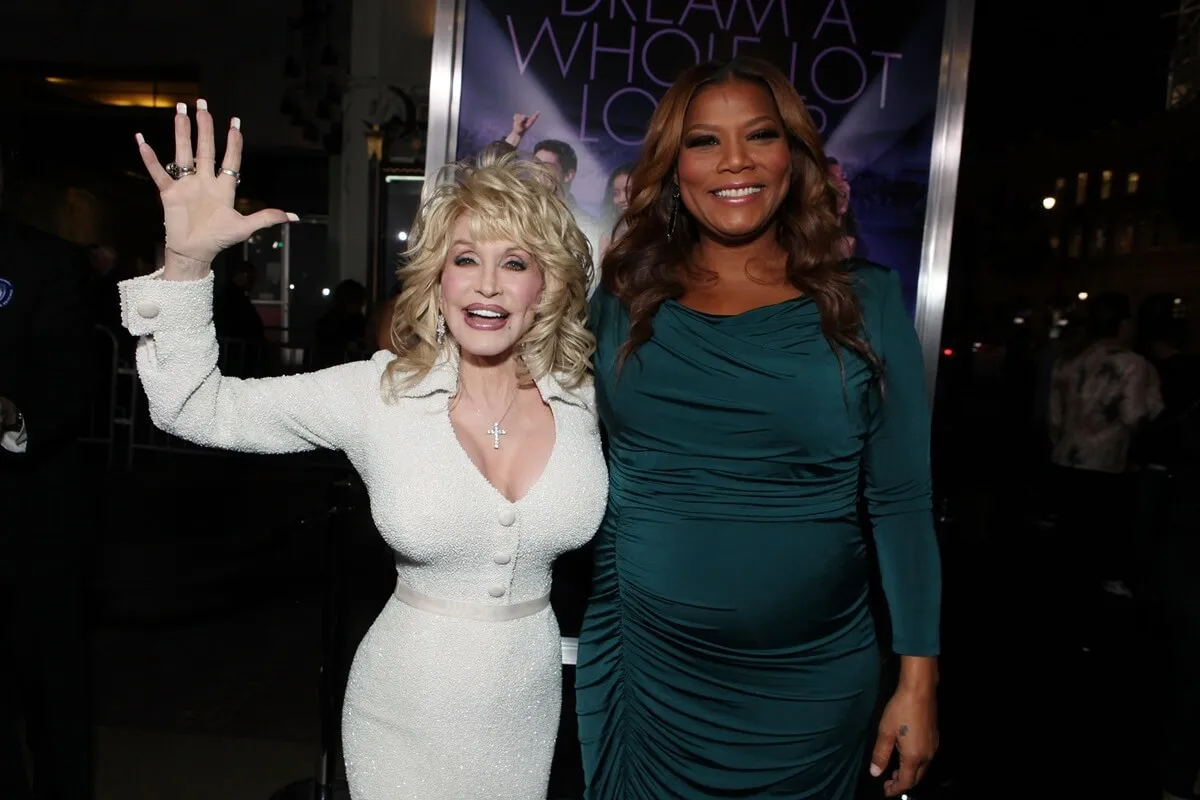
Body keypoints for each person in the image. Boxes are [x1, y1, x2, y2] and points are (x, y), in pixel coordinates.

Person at [122, 101, 606, 799]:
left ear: (547, 285)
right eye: (465, 258)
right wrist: (186, 263)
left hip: (526, 709)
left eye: (516, 262)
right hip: (403, 709)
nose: (489, 284)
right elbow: (193, 405)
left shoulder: (580, 396)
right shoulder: (377, 393)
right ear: (438, 280)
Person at [576, 57, 941, 799]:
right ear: (674, 167)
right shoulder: (622, 298)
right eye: (704, 141)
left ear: (793, 156)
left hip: (812, 690)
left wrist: (919, 680)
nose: (734, 161)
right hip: (652, 677)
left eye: (760, 135)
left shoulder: (866, 300)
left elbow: (902, 504)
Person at [0, 136, 94, 800]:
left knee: (50, 700)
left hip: (27, 527)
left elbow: (70, 388)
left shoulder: (46, 264)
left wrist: (13, 415)